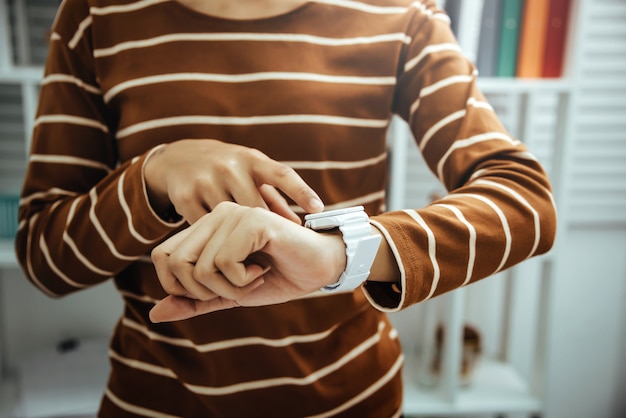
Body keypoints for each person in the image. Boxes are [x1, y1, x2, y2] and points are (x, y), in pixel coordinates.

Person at [15, 0, 557, 416]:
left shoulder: (400, 13)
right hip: (156, 402)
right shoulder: (96, 14)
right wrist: (152, 177)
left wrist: (341, 254)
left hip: (353, 403)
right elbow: (44, 257)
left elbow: (526, 200)